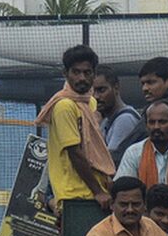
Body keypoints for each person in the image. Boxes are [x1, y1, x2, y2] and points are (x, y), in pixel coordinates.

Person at [35, 45, 115, 211]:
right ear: (66, 73)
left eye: (87, 72)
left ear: (94, 74)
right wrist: (98, 192)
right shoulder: (64, 106)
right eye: (76, 72)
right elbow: (74, 152)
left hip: (94, 192)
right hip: (74, 195)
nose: (82, 78)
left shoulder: (89, 102)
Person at [92, 65, 142, 165]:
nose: (96, 96)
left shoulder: (125, 119)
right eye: (92, 92)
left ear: (116, 88)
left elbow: (109, 161)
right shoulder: (106, 120)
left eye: (101, 90)